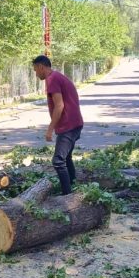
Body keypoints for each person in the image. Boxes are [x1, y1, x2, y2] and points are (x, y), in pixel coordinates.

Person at [32, 55, 84, 195]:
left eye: (35, 70)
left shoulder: (52, 79)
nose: (36, 74)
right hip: (74, 123)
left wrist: (50, 129)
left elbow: (59, 106)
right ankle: (73, 188)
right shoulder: (57, 76)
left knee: (58, 161)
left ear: (41, 67)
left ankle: (67, 196)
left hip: (68, 126)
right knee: (66, 158)